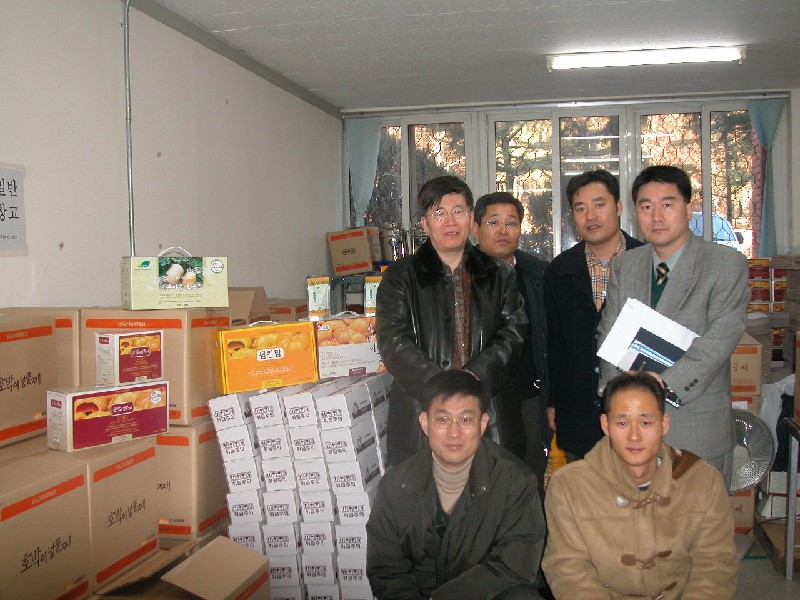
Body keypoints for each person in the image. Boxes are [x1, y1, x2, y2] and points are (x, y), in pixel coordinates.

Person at [598, 165, 749, 486]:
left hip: (695, 426)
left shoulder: (724, 262)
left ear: (689, 208)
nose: (656, 216)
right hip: (633, 431)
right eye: (646, 206)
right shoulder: (626, 265)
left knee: (698, 517)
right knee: (634, 516)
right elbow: (609, 332)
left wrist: (661, 385)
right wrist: (617, 399)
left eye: (667, 204)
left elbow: (721, 337)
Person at [542, 372, 738, 599]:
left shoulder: (702, 480)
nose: (634, 436)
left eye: (645, 423)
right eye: (622, 423)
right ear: (605, 424)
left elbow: (715, 566)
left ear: (664, 424)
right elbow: (568, 570)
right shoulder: (569, 485)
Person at [376, 175, 529, 466]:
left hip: (489, 410)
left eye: (458, 211)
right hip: (422, 412)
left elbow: (514, 334)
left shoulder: (500, 274)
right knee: (427, 491)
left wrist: (474, 377)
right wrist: (441, 387)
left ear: (470, 218)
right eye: (439, 213)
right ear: (425, 223)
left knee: (490, 487)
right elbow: (393, 340)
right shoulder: (400, 277)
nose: (450, 221)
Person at [366, 370, 546, 600]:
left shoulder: (515, 481)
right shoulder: (395, 486)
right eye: (442, 420)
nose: (454, 433)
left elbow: (514, 565)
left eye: (466, 420)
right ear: (425, 423)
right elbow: (386, 571)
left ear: (483, 424)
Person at [543, 169, 644, 460]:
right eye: (580, 208)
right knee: (584, 485)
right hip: (578, 408)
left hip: (637, 405)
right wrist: (554, 401)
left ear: (618, 207)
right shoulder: (560, 270)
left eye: (599, 204)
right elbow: (554, 343)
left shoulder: (646, 260)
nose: (591, 216)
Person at [472, 191, 550, 489]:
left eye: (511, 223)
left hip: (529, 395)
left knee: (530, 476)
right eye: (494, 222)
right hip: (482, 396)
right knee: (485, 478)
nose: (503, 230)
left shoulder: (537, 274)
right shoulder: (459, 276)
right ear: (476, 227)